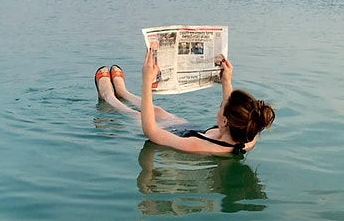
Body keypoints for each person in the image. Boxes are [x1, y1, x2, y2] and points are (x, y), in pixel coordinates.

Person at [94, 49, 275, 155]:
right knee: (159, 111)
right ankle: (123, 92)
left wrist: (147, 82)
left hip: (179, 136)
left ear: (226, 120)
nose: (219, 107)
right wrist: (226, 81)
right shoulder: (247, 137)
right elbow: (233, 108)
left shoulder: (198, 146)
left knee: (136, 114)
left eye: (221, 107)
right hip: (191, 130)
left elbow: (151, 131)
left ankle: (109, 96)